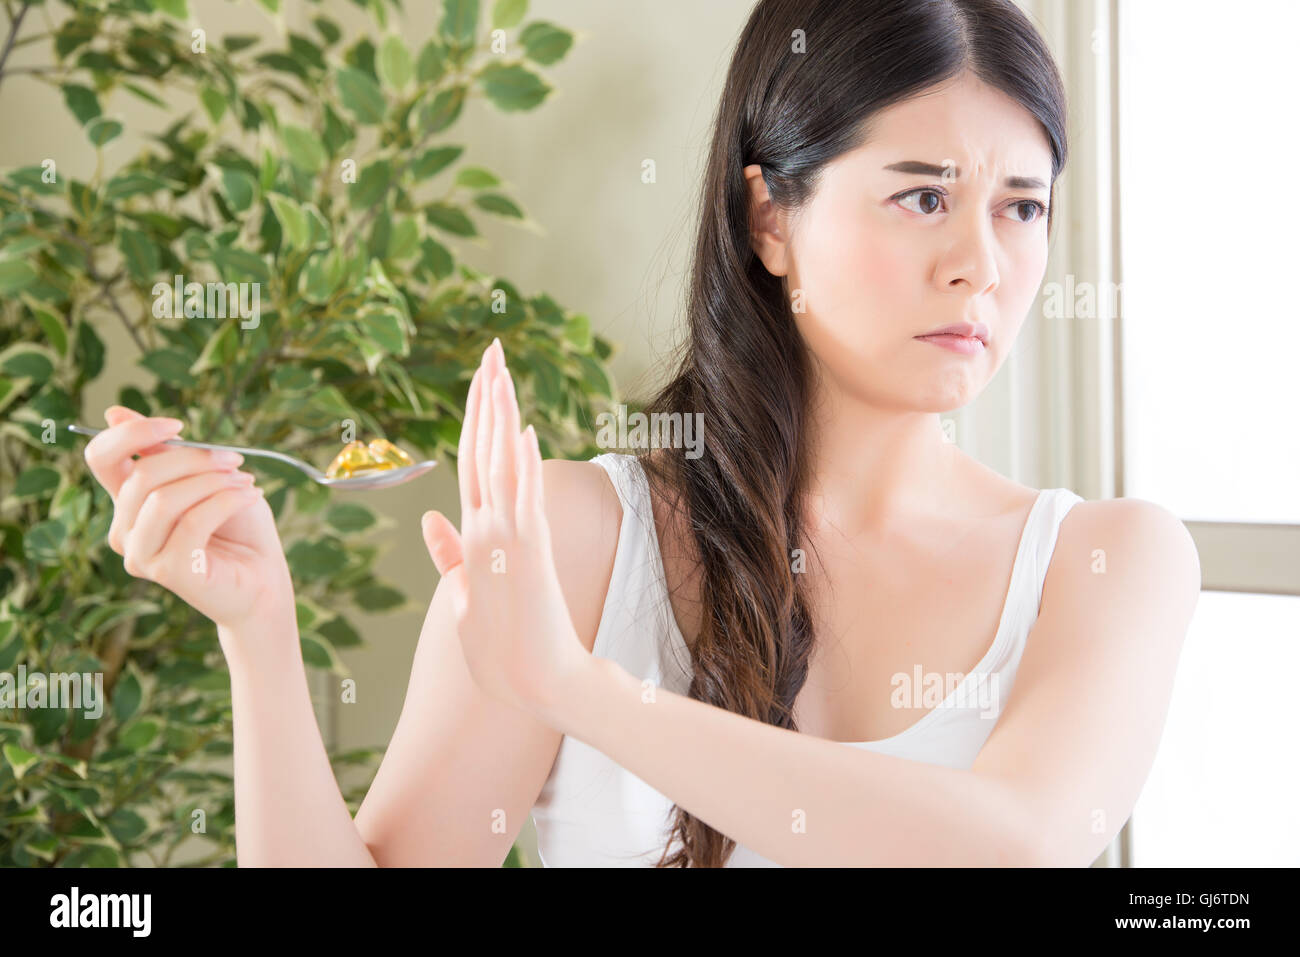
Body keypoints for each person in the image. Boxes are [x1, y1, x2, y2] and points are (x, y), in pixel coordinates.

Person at [83, 0, 1200, 867]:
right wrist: (259, 633)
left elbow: (1011, 845)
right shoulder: (572, 540)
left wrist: (578, 691)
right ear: (769, 217)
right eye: (922, 197)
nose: (980, 264)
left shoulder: (1109, 564)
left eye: (1020, 206)